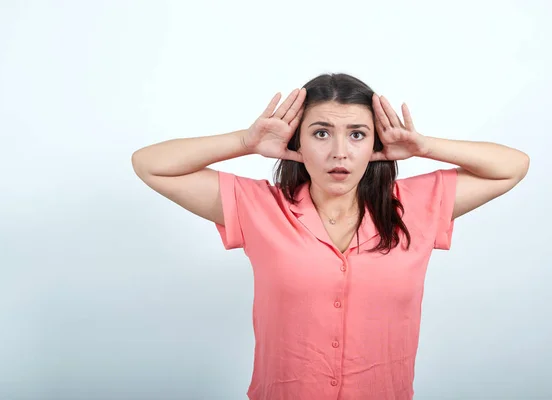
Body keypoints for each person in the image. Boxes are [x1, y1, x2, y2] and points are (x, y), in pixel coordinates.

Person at [131, 73, 529, 400]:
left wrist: (424, 146)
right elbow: (151, 165)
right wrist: (245, 142)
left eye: (357, 134)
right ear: (297, 142)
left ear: (377, 142)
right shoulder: (260, 207)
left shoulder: (414, 205)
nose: (339, 152)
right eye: (321, 134)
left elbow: (513, 166)